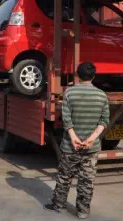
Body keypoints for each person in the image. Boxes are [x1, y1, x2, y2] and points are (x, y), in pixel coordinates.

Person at [45, 62, 109, 219]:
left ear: (78, 75)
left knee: (64, 177)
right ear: (93, 76)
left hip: (69, 145)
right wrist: (91, 140)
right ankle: (82, 211)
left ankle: (58, 205)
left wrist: (74, 138)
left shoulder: (69, 93)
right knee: (87, 180)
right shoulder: (102, 95)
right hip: (91, 147)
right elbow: (104, 121)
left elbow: (66, 119)